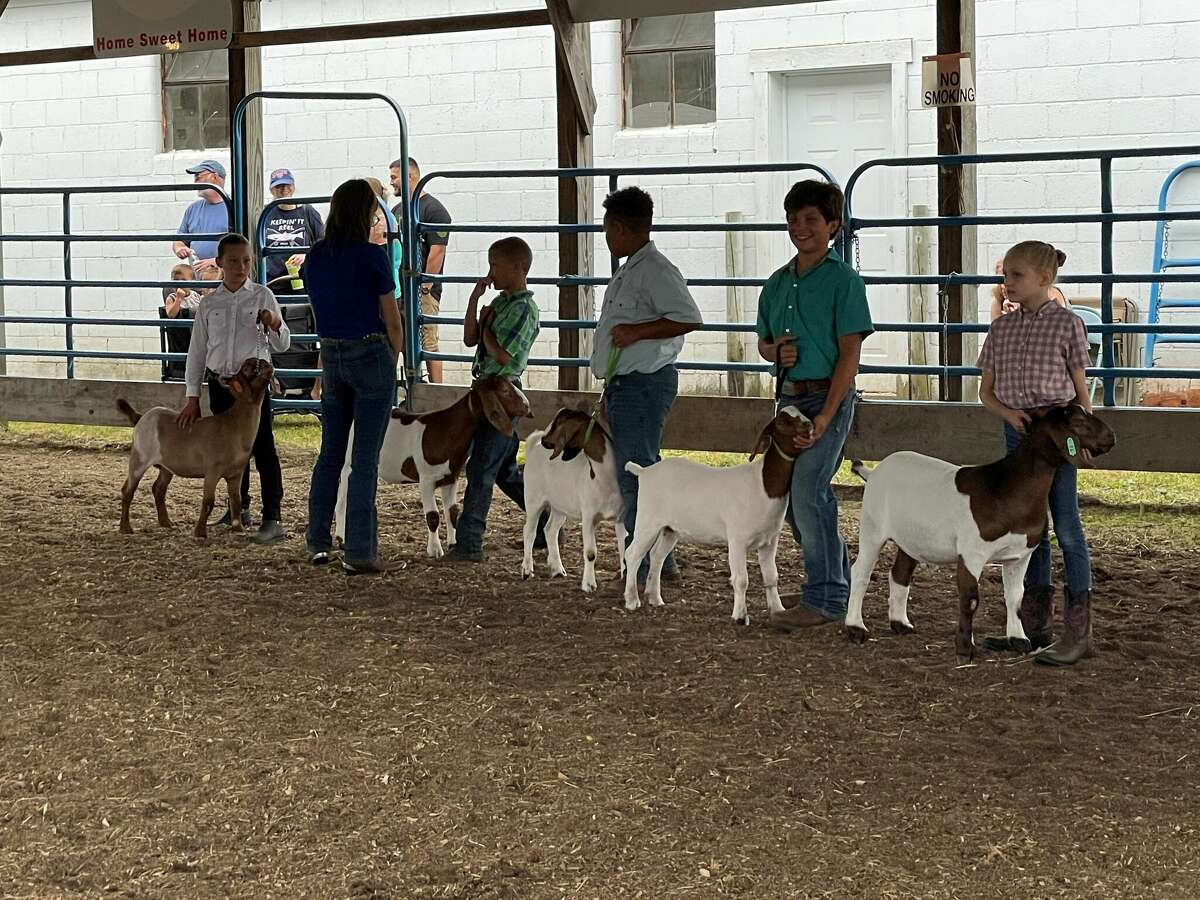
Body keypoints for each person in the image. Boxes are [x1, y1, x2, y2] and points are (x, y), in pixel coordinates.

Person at [757, 180, 874, 631]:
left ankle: (825, 595)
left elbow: (850, 353)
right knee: (797, 494)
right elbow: (765, 343)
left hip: (828, 394)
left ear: (832, 226)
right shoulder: (777, 282)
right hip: (790, 395)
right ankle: (834, 584)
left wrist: (827, 412)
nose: (800, 228)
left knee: (808, 490)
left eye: (810, 220)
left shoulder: (844, 281)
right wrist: (775, 352)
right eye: (793, 220)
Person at [978, 240, 1095, 666]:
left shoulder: (1067, 324)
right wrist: (1009, 414)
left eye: (1015, 275)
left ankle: (1077, 630)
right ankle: (1033, 623)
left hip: (1056, 431)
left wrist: (1078, 434)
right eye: (1005, 275)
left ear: (1044, 278)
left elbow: (1081, 390)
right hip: (1020, 432)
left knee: (1066, 524)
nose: (1006, 282)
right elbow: (984, 393)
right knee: (1031, 526)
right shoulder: (1000, 329)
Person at [591, 186, 703, 586]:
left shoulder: (654, 269)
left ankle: (646, 563)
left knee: (637, 473)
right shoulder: (633, 268)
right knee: (636, 471)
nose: (607, 240)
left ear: (620, 228)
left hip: (643, 384)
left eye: (607, 231)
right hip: (628, 384)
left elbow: (689, 317)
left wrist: (637, 332)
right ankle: (653, 561)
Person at [300, 179, 406, 575]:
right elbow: (391, 319)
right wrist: (393, 357)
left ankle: (317, 538)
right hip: (370, 351)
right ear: (365, 214)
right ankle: (360, 550)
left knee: (330, 452)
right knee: (364, 459)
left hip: (331, 352)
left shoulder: (316, 257)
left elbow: (316, 305)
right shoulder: (372, 257)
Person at [178, 233, 291, 544]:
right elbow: (197, 351)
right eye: (233, 261)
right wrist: (192, 396)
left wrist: (275, 324)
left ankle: (273, 515)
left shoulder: (263, 296)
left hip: (252, 390)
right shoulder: (209, 303)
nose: (241, 267)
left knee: (262, 446)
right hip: (221, 384)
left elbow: (282, 344)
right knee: (225, 449)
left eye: (245, 261)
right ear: (219, 263)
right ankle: (237, 509)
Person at [446, 236, 542, 563]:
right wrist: (475, 301)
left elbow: (501, 356)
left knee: (482, 468)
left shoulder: (524, 308)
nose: (491, 272)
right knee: (501, 469)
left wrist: (486, 327)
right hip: (488, 391)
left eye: (495, 265)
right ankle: (544, 519)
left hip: (502, 393)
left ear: (517, 268)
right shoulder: (501, 302)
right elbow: (469, 337)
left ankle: (470, 542)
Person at [390, 156, 450, 383]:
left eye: (394, 177)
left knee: (428, 342)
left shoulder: (434, 210)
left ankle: (437, 393)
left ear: (409, 176)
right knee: (405, 342)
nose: (391, 182)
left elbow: (437, 252)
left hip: (423, 290)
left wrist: (425, 286)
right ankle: (412, 389)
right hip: (401, 289)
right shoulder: (396, 210)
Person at [261, 168, 324, 295]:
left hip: (303, 281)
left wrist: (306, 255)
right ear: (271, 190)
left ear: (293, 186)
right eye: (279, 186)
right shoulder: (265, 213)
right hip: (273, 283)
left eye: (287, 185)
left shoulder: (307, 211)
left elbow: (324, 245)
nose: (284, 189)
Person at [172, 160, 230, 274]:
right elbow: (179, 240)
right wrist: (180, 248)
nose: (195, 180)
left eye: (198, 175)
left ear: (214, 176)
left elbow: (244, 246)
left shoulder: (235, 208)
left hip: (225, 278)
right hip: (200, 279)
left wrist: (217, 261)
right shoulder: (193, 209)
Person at [989, 257, 1068, 320]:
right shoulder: (998, 300)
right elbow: (996, 336)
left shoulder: (1050, 294)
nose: (1004, 285)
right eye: (1001, 280)